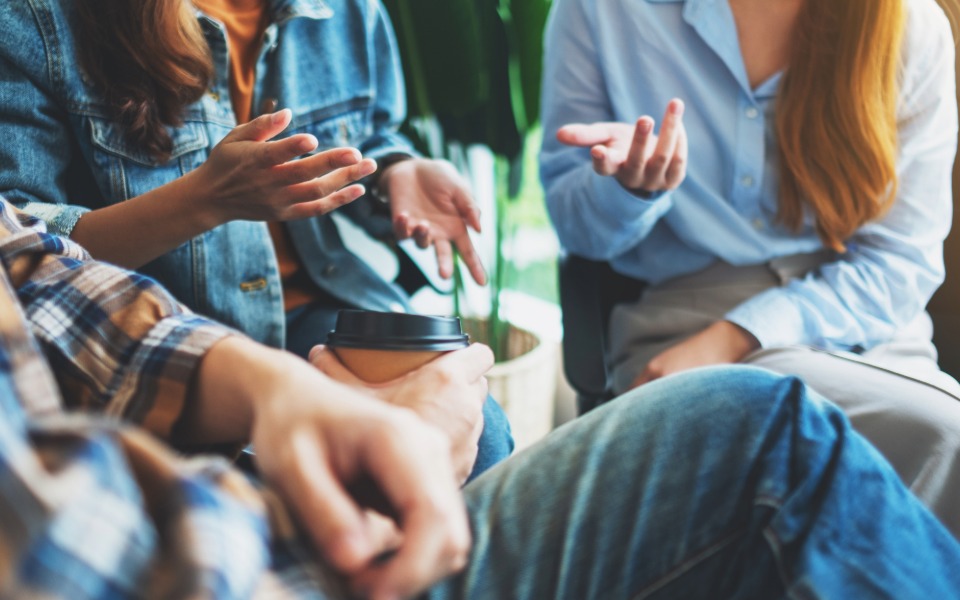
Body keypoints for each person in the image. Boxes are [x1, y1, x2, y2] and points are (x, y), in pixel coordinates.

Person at [2, 196, 960, 600]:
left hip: (265, 371)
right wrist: (213, 196)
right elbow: (77, 550)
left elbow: (33, 271)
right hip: (230, 558)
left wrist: (269, 387)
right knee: (762, 435)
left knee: (488, 427)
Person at [0, 0, 513, 479]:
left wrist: (394, 172)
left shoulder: (350, 9)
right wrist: (203, 200)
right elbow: (20, 247)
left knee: (479, 434)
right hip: (159, 330)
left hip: (318, 314)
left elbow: (372, 135)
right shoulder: (35, 18)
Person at [539, 0, 960, 535]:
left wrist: (735, 337)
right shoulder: (600, 11)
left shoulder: (908, 24)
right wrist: (629, 192)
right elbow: (578, 232)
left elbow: (900, 264)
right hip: (678, 329)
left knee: (940, 439)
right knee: (939, 438)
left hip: (863, 327)